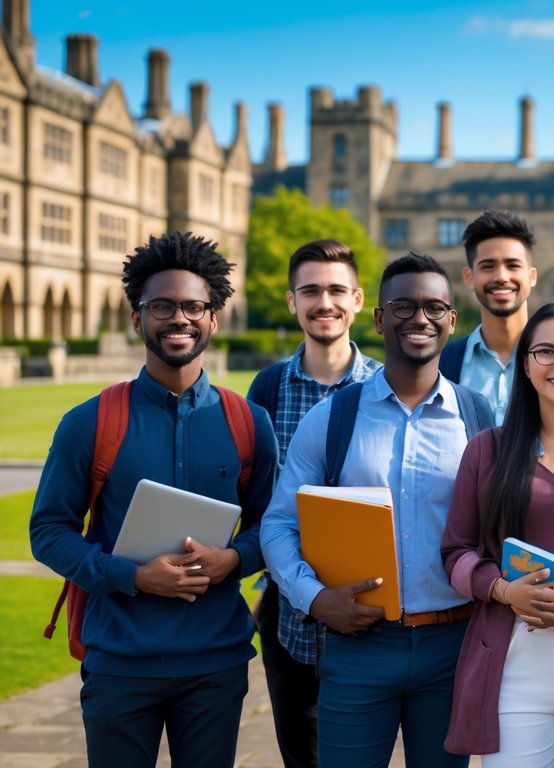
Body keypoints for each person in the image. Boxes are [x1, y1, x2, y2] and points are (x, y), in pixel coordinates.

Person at [30, 231, 278, 768]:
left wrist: (233, 560)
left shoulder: (247, 422)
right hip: (120, 661)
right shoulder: (89, 422)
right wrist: (132, 576)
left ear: (214, 317)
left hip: (216, 661)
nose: (179, 319)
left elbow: (273, 526)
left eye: (194, 306)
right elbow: (48, 532)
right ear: (137, 317)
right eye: (161, 306)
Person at [261, 253, 493, 768]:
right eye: (403, 306)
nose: (420, 319)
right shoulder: (333, 417)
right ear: (379, 318)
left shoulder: (478, 417)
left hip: (452, 645)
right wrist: (314, 598)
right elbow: (279, 523)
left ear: (453, 321)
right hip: (357, 643)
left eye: (435, 307)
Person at [442, 302, 554, 766]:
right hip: (512, 658)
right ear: (525, 364)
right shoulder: (487, 450)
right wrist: (502, 590)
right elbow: (455, 552)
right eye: (545, 352)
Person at [248, 239, 381, 768]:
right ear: (291, 301)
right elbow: (256, 499)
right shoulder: (270, 386)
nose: (323, 302)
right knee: (301, 755)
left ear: (356, 299)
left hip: (372, 602)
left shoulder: (384, 386)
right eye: (310, 291)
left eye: (335, 290)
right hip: (288, 607)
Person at [440, 210, 539, 424]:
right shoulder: (443, 362)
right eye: (488, 266)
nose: (501, 277)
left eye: (513, 265)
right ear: (469, 278)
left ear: (532, 277)